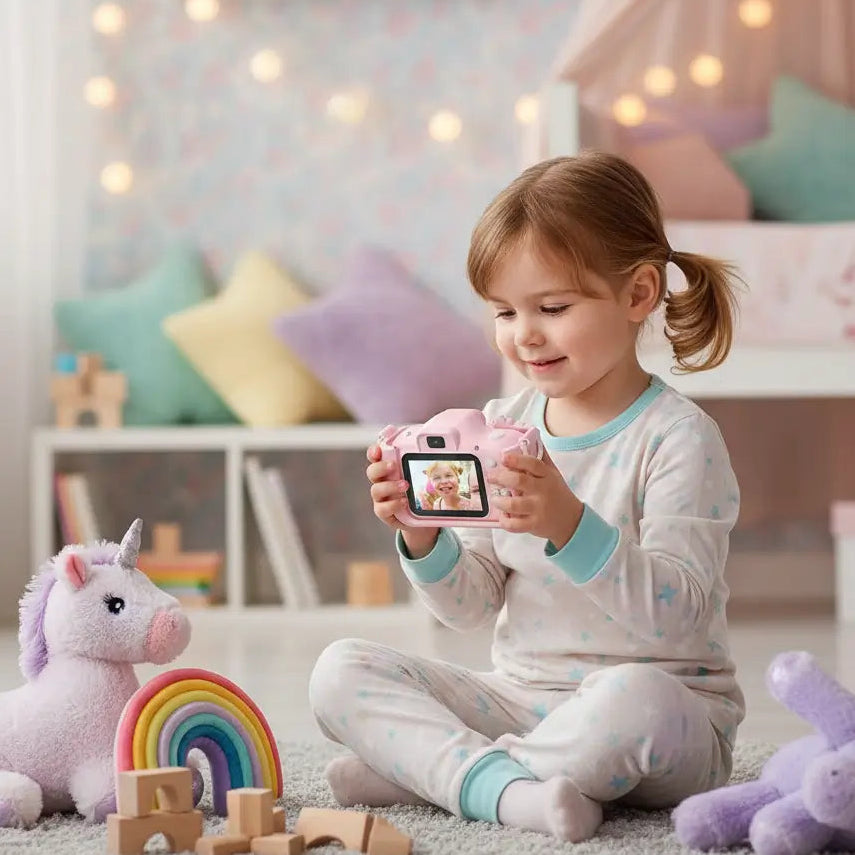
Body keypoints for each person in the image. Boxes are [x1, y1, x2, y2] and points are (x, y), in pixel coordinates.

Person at [308, 151, 746, 842]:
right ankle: (505, 784)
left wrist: (569, 525)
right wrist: (422, 534)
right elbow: (469, 609)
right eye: (504, 311)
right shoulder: (499, 428)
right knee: (340, 670)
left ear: (638, 294)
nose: (524, 334)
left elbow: (678, 621)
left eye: (552, 307)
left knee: (635, 699)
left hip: (662, 715)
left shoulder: (678, 438)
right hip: (522, 699)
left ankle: (447, 777)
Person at [418, 461, 483, 512]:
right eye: (436, 478)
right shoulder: (437, 504)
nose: (443, 481)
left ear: (457, 478)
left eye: (448, 475)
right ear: (431, 483)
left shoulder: (472, 506)